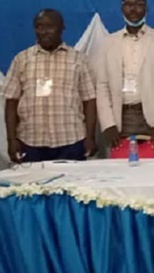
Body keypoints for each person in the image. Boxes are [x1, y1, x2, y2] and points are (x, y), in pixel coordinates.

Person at [3, 9, 97, 162]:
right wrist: (11, 140)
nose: (44, 32)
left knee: (72, 179)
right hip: (31, 142)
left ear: (62, 28)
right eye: (39, 26)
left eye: (49, 27)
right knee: (33, 179)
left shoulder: (79, 60)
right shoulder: (22, 59)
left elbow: (89, 101)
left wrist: (91, 137)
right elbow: (11, 103)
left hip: (71, 141)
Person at [95, 0, 154, 151]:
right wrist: (108, 124)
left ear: (147, 9)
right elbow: (102, 85)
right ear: (122, 9)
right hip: (120, 119)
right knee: (122, 165)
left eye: (139, 5)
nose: (133, 9)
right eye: (129, 4)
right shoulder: (108, 43)